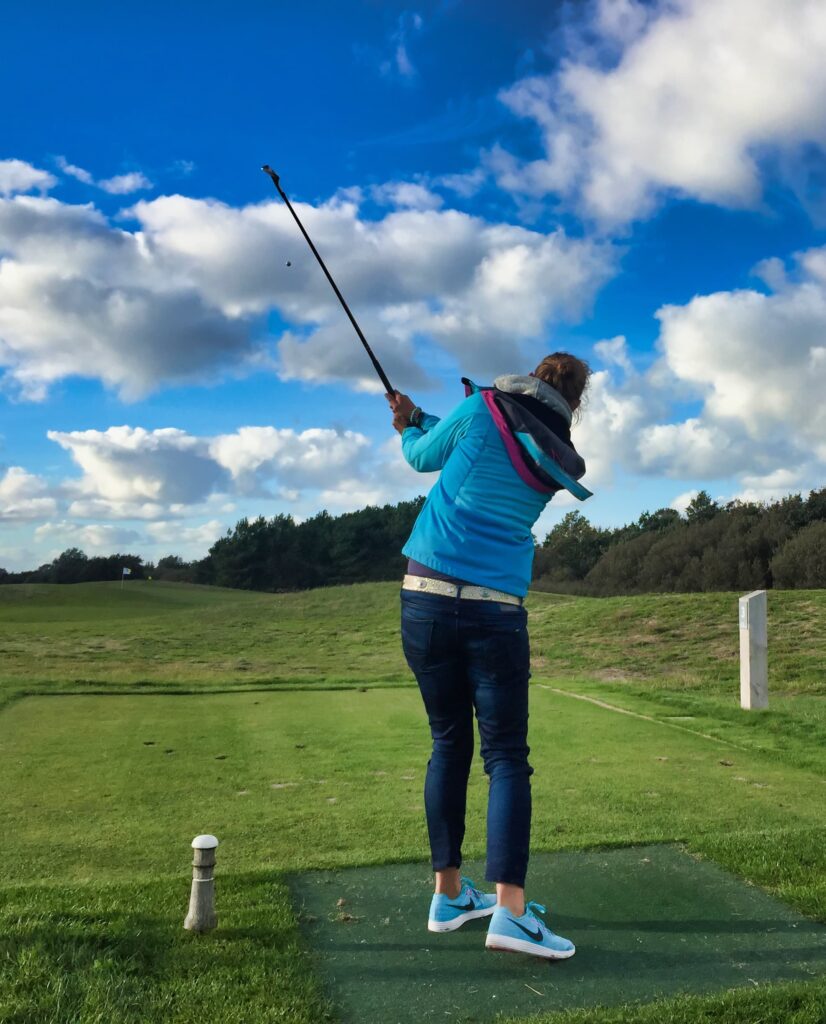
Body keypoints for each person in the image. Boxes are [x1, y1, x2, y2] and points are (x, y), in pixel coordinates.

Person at [387, 352, 591, 961]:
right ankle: (510, 911)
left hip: (422, 597)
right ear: (574, 403)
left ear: (533, 373)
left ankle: (449, 896)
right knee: (506, 758)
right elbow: (498, 452)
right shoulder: (556, 455)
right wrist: (419, 416)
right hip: (495, 609)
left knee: (449, 743)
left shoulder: (481, 406)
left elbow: (423, 457)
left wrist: (409, 424)